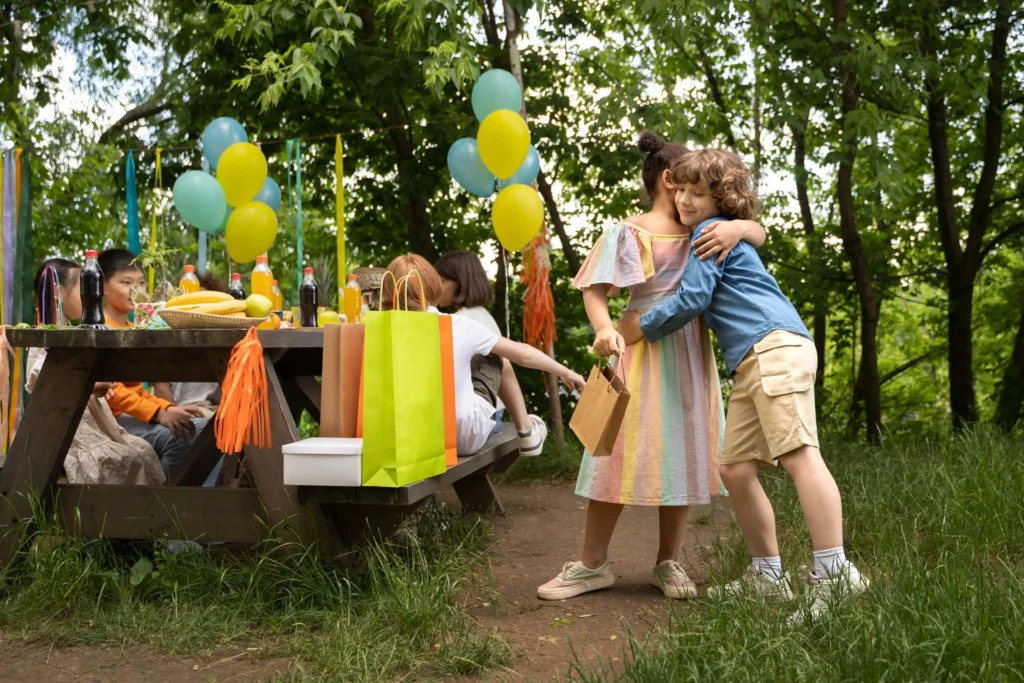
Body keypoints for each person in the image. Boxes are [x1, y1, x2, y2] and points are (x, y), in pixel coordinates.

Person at [618, 147, 868, 621]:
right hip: (753, 358)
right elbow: (755, 231)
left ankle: (835, 576)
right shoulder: (718, 230)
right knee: (734, 469)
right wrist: (742, 226)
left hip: (773, 347)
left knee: (799, 455)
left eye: (700, 194)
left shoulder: (709, 236)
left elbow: (693, 297)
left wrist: (640, 326)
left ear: (723, 200)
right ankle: (767, 574)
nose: (688, 201)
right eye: (683, 191)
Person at [538, 132, 768, 602]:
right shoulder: (631, 230)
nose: (696, 193)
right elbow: (594, 290)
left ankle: (668, 561)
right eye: (689, 183)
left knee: (682, 455)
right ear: (670, 180)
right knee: (613, 454)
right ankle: (592, 564)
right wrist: (604, 328)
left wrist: (742, 228)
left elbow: (757, 231)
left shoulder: (710, 228)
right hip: (636, 351)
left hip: (687, 356)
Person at [382, 254, 586, 457]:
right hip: (462, 436)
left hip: (411, 437)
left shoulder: (379, 331)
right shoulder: (457, 325)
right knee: (497, 357)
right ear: (433, 285)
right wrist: (566, 372)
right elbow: (523, 354)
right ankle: (526, 430)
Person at [25, 258, 165, 485]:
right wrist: (89, 385)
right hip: (67, 432)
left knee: (143, 451)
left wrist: (93, 386)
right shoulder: (44, 337)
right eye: (84, 286)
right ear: (58, 292)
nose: (92, 293)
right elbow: (44, 381)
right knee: (127, 458)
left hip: (91, 424)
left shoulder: (74, 332)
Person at [97, 249, 208, 475]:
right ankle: (164, 505)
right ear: (102, 287)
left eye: (140, 283)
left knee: (208, 429)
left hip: (135, 412)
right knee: (182, 436)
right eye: (126, 282)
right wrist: (158, 414)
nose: (135, 290)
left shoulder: (132, 329)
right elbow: (113, 392)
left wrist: (168, 407)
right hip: (111, 419)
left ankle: (191, 502)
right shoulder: (100, 329)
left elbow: (136, 390)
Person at [435, 251, 547, 456]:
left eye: (441, 281)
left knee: (497, 359)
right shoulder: (477, 315)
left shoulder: (463, 322)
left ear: (459, 283)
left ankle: (526, 426)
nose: (435, 288)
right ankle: (527, 427)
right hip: (479, 417)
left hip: (477, 421)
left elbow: (512, 359)